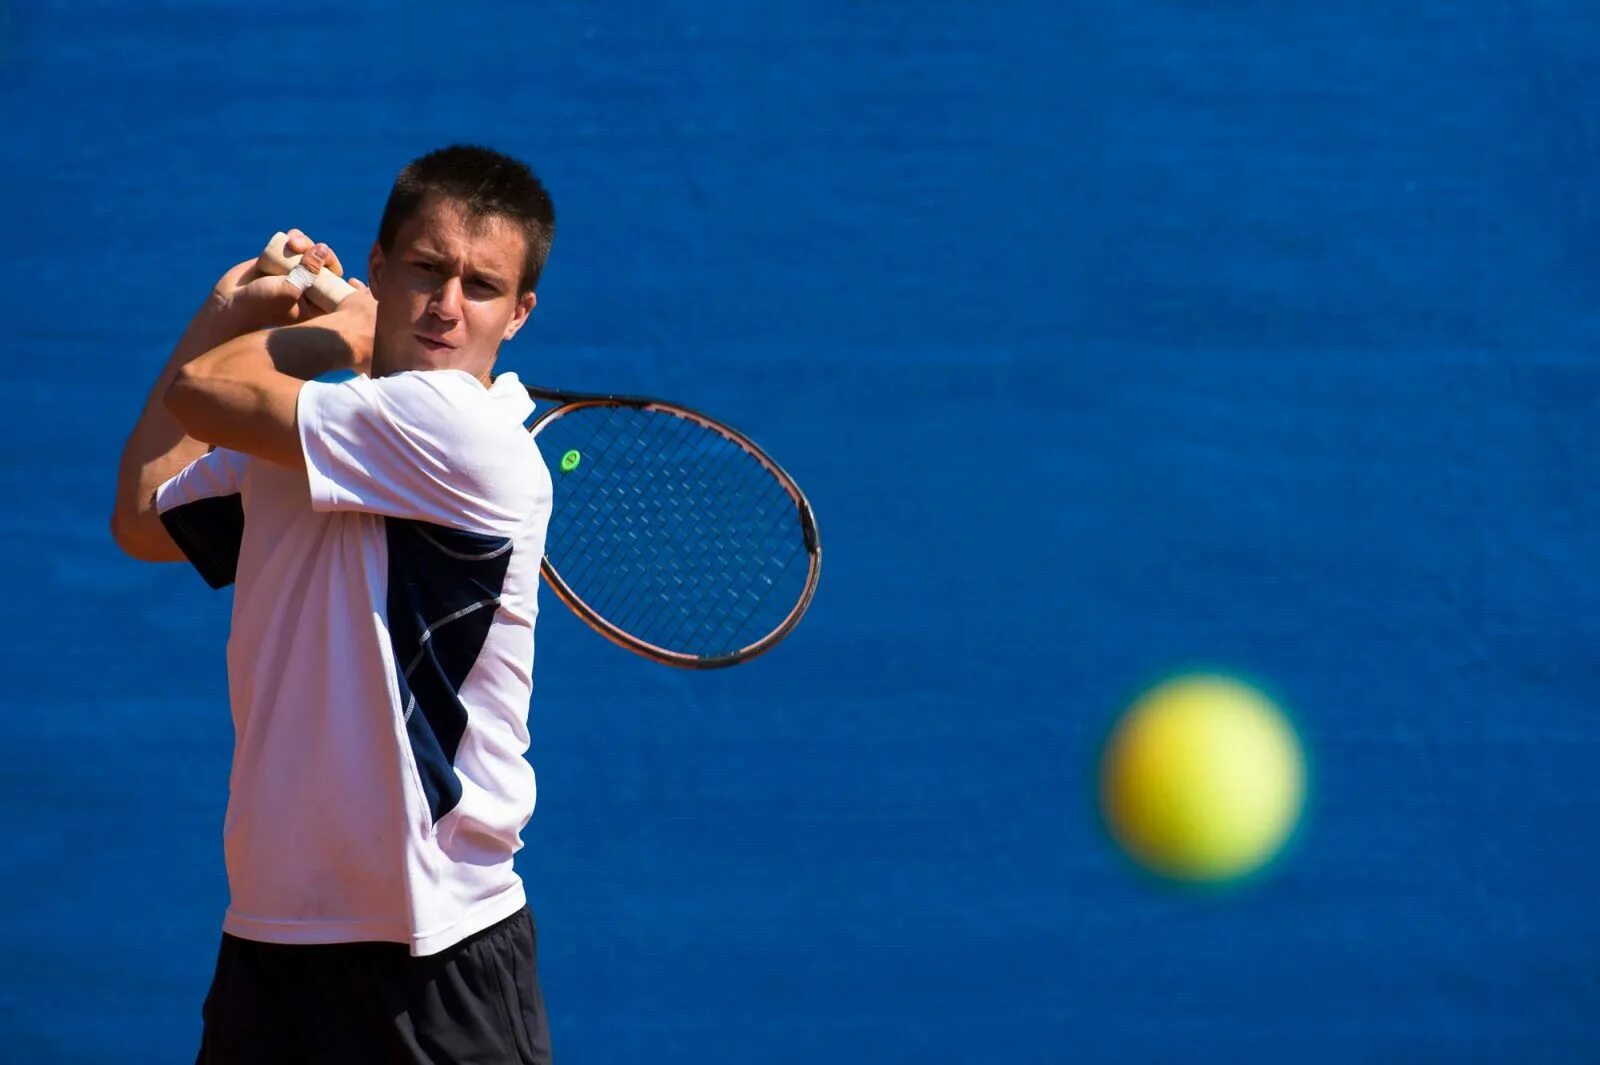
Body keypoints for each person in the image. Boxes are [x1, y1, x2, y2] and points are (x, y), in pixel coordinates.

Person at [110, 144, 557, 1063]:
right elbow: (144, 515)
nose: (446, 305)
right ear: (382, 265)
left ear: (519, 315)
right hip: (268, 942)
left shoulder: (471, 437)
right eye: (427, 270)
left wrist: (341, 332)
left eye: (481, 286)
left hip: (438, 956)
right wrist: (228, 312)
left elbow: (208, 391)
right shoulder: (311, 434)